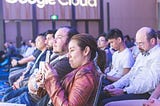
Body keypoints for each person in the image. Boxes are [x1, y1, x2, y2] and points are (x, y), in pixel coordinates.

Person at [35, 33, 106, 105]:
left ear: (86, 51)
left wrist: (52, 79)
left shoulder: (85, 76)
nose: (68, 55)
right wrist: (45, 83)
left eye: (72, 50)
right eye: (68, 51)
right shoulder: (81, 71)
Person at [99, 27, 160, 105]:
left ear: (152, 41)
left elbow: (150, 83)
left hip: (145, 94)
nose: (138, 47)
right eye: (137, 43)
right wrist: (113, 86)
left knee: (105, 103)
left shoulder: (158, 55)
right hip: (132, 89)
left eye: (141, 43)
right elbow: (130, 74)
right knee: (101, 95)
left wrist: (125, 91)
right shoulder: (142, 54)